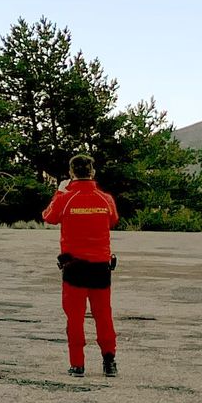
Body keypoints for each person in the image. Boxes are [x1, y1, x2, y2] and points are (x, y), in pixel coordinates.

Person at [42, 153, 119, 378]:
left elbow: (48, 217)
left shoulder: (66, 198)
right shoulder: (105, 199)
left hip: (74, 266)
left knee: (74, 318)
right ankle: (109, 361)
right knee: (103, 315)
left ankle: (77, 364)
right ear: (93, 172)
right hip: (101, 266)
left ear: (71, 173)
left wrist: (60, 191)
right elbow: (113, 220)